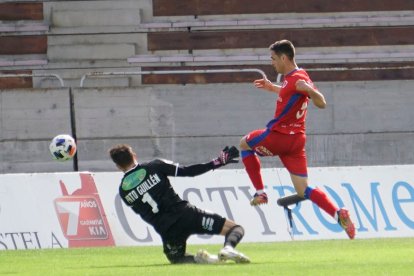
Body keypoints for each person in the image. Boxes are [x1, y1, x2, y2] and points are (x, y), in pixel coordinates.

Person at [239, 39, 356, 239]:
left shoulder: (299, 79)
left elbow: (322, 103)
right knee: (302, 190)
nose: (272, 62)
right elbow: (291, 92)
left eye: (274, 58)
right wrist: (272, 88)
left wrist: (311, 91)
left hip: (279, 136)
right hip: (296, 142)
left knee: (244, 144)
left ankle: (260, 192)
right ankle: (338, 214)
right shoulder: (294, 77)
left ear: (284, 57)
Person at [109, 144, 250, 264]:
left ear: (117, 166)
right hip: (187, 215)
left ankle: (205, 259)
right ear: (134, 155)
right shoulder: (155, 166)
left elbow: (145, 215)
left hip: (168, 231)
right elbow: (187, 171)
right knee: (235, 228)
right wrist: (217, 162)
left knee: (176, 258)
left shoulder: (123, 191)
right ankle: (228, 248)